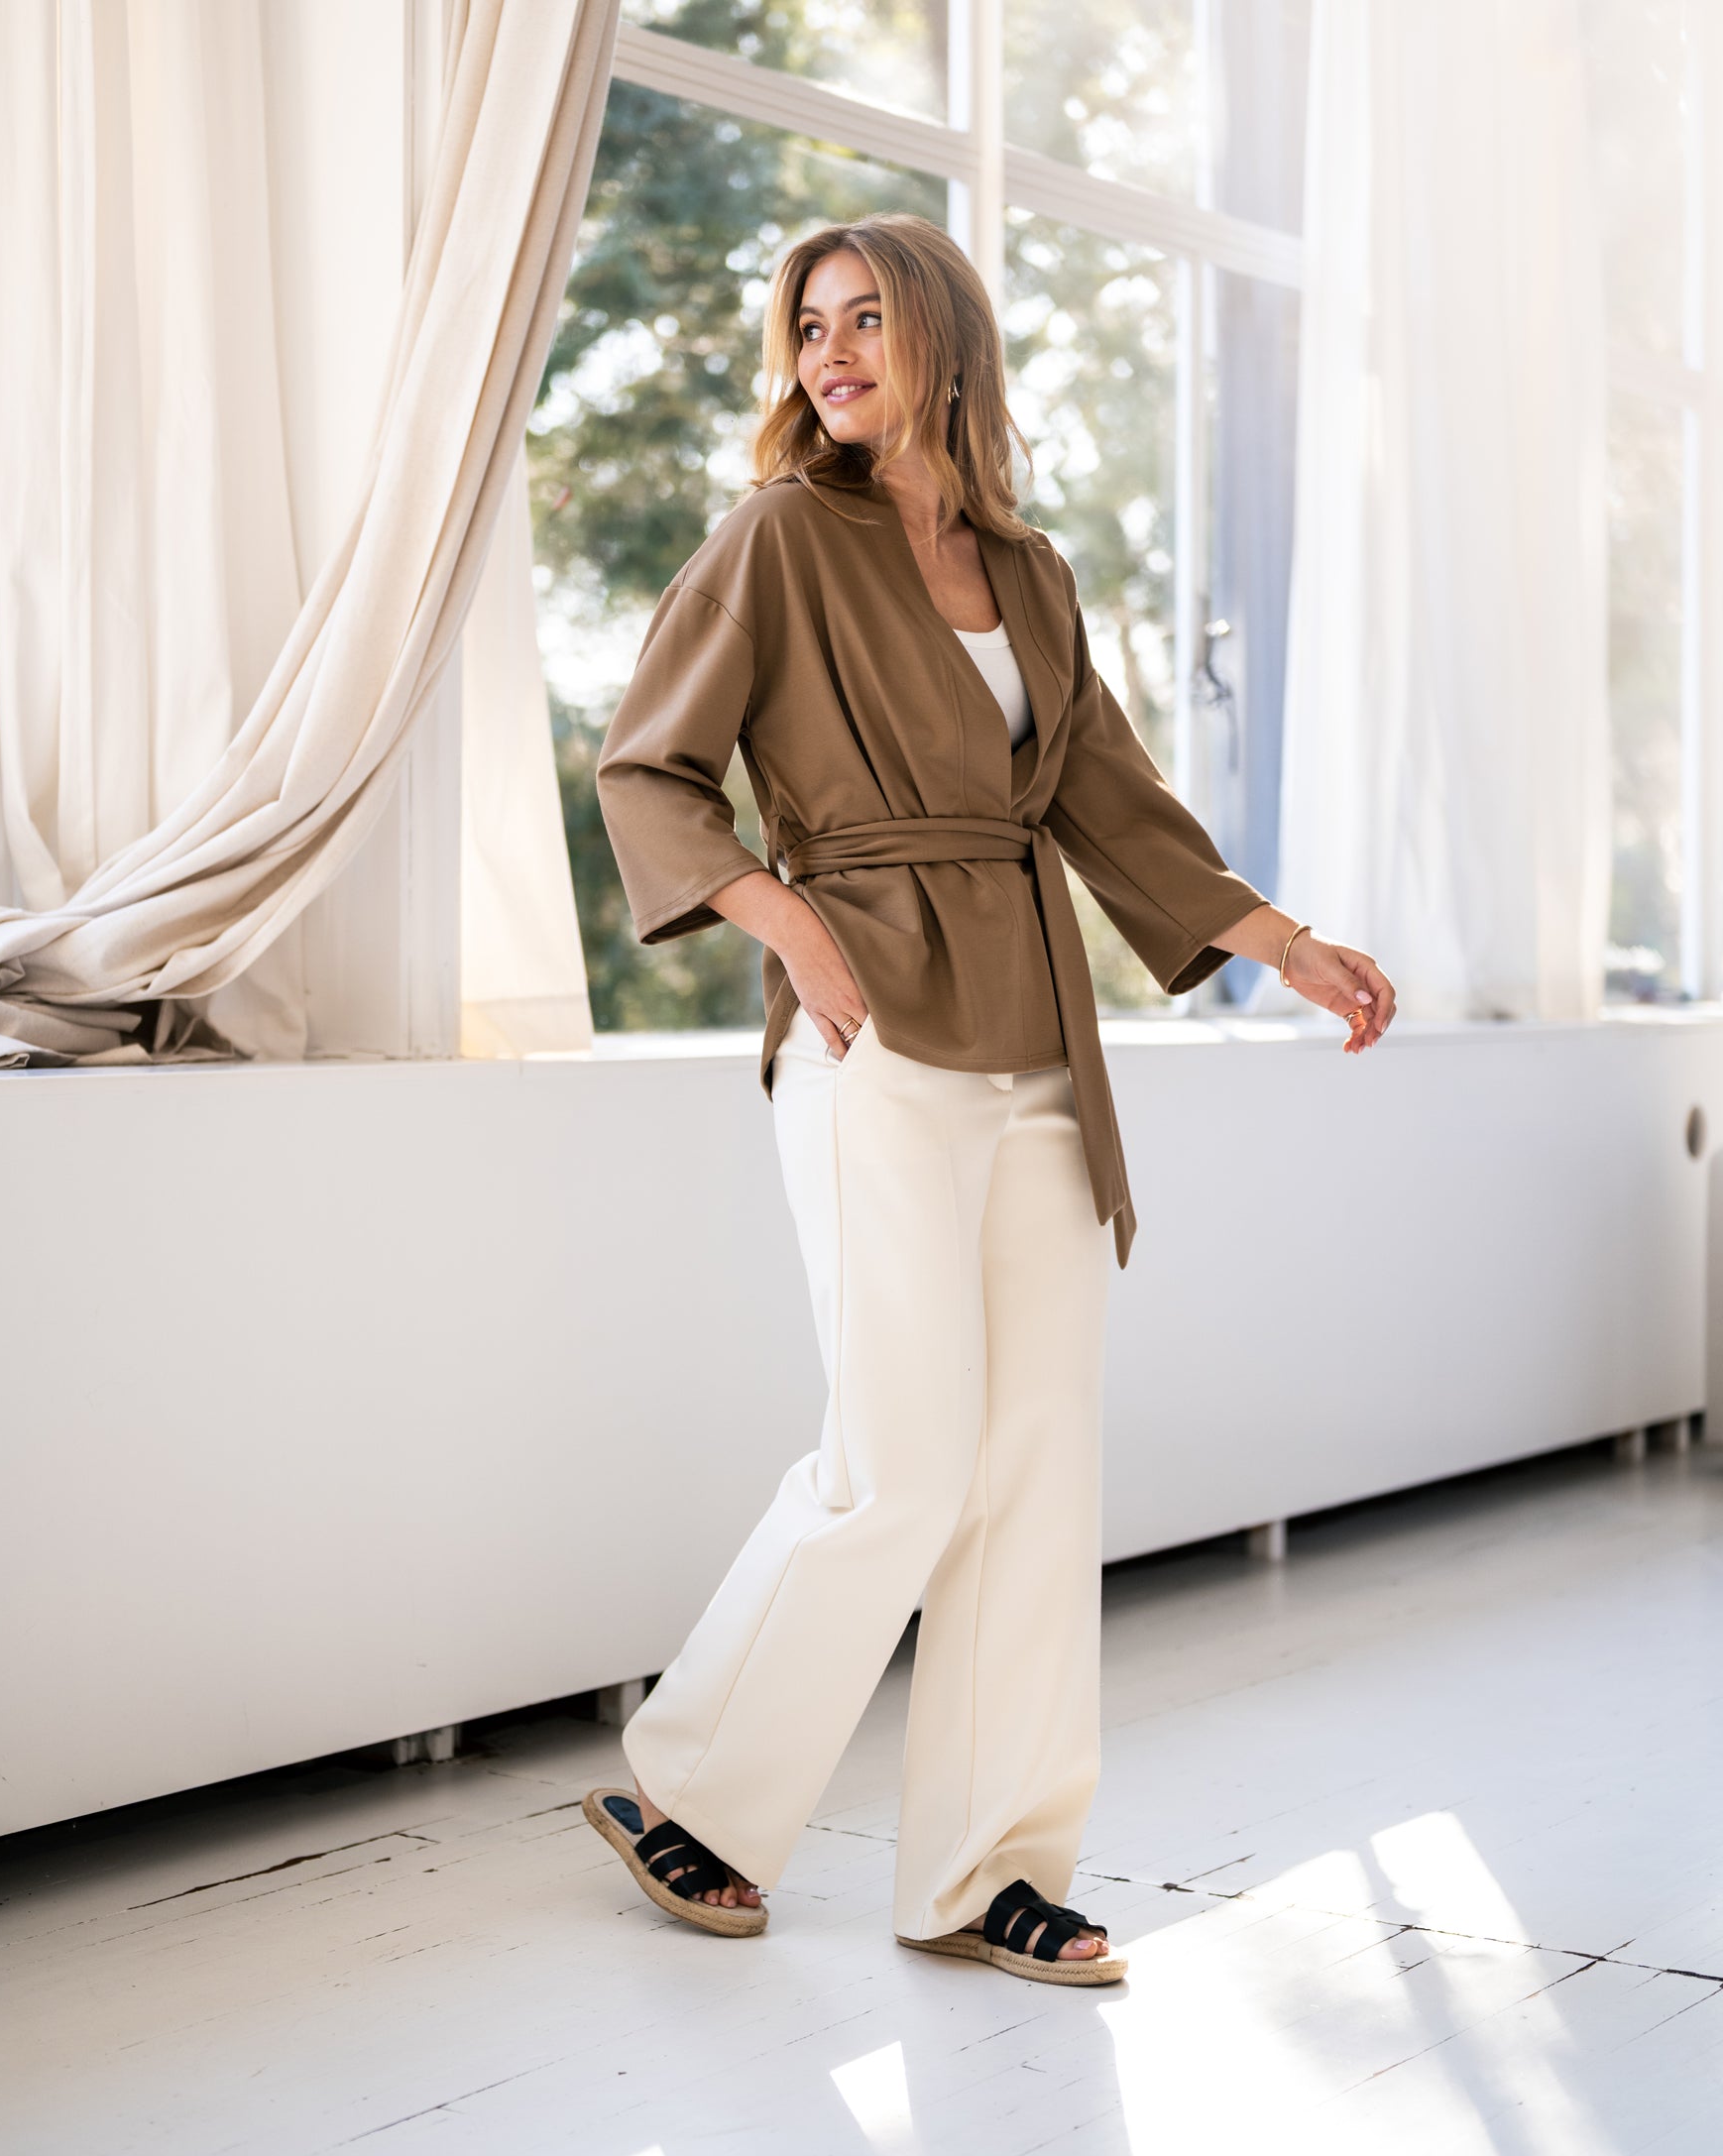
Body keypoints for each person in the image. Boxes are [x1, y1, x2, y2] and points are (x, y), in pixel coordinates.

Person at [582, 212, 1396, 1986]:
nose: (834, 354)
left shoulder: (1028, 570)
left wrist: (1287, 940)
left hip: (1038, 1045)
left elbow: (1108, 796)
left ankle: (990, 1868)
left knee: (1036, 1471)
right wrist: (792, 928)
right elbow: (650, 769)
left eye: (869, 320)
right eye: (810, 326)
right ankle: (696, 1796)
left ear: (944, 340)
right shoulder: (782, 538)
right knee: (903, 1456)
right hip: (875, 1030)